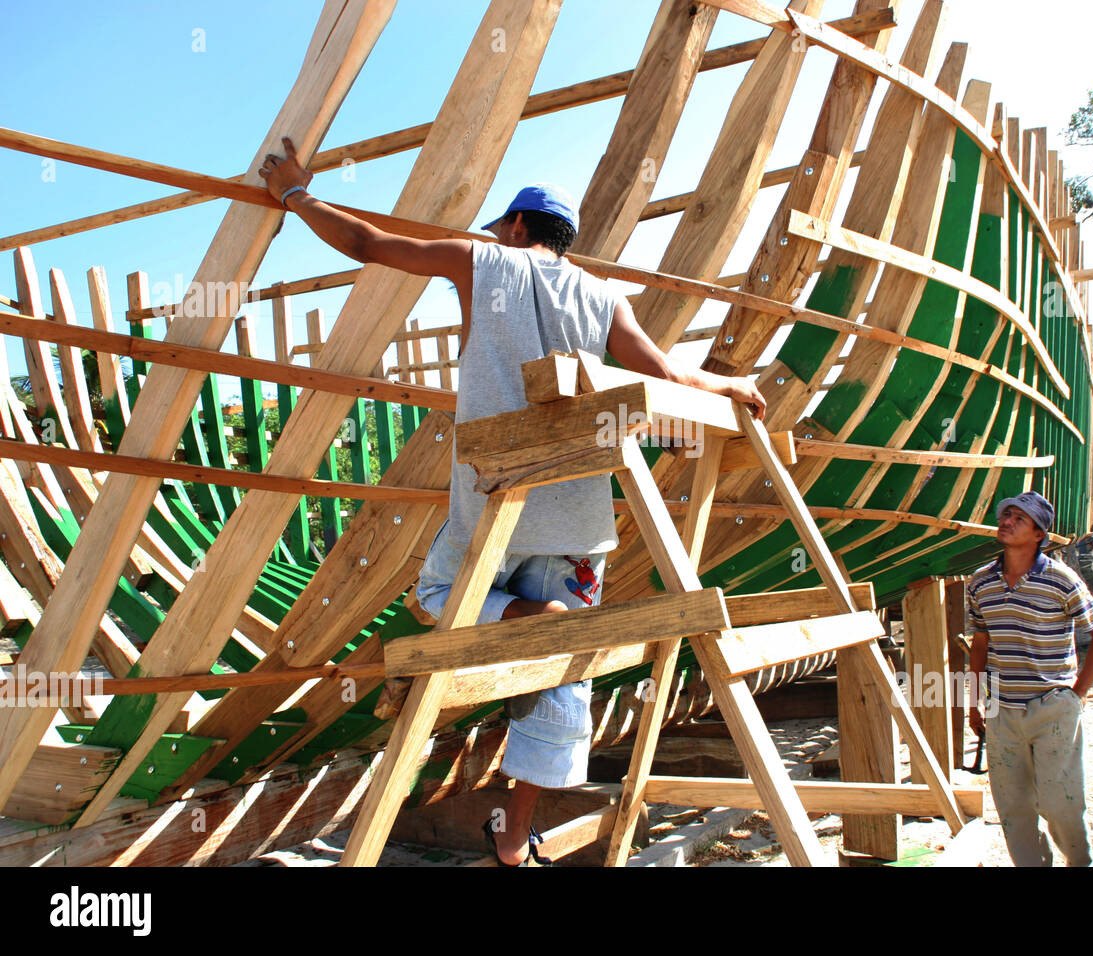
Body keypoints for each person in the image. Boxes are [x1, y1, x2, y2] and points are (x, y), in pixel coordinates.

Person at [258, 139, 765, 865]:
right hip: (580, 520)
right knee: (563, 677)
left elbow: (367, 242)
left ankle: (527, 618)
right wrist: (732, 387)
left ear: (520, 228)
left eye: (503, 226)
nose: (496, 235)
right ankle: (510, 839)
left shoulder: (485, 260)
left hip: (495, 500)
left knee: (437, 593)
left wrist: (295, 194)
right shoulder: (603, 295)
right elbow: (662, 372)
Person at [965, 490, 1093, 867]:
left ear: (1038, 535)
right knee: (1014, 810)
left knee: (1060, 804)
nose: (1007, 521)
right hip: (1003, 711)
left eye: (1019, 518)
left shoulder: (1062, 580)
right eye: (1006, 515)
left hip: (1053, 709)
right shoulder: (980, 583)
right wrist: (973, 700)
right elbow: (980, 644)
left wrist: (1077, 695)